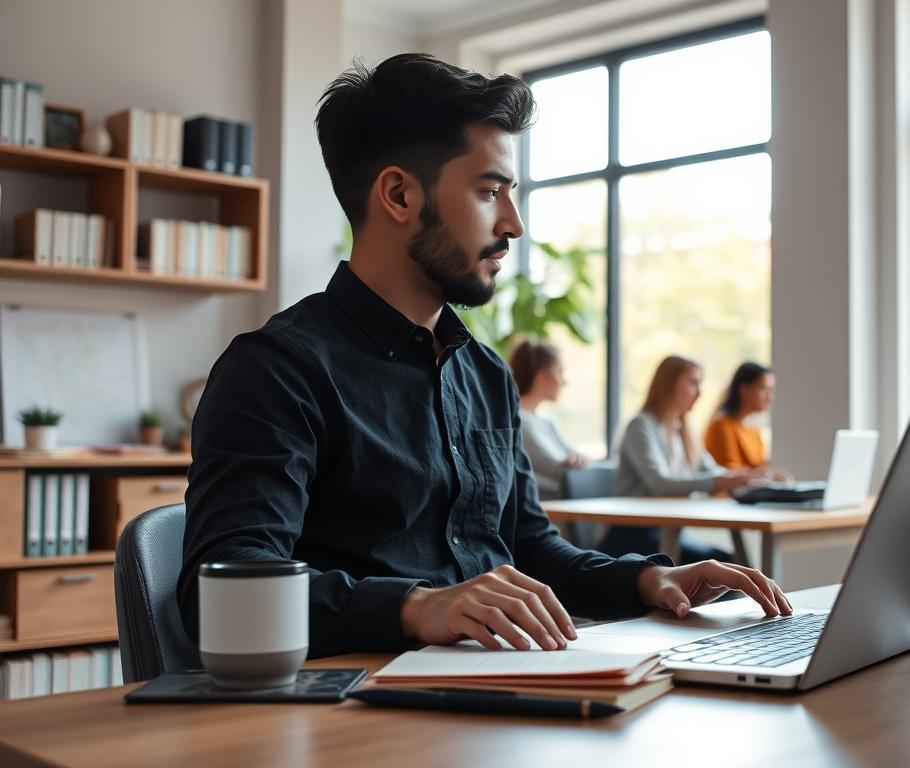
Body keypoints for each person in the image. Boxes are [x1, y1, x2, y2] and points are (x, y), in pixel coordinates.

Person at [177, 54, 790, 659]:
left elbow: (527, 545)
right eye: (489, 190)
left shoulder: (486, 374)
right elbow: (222, 590)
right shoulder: (277, 370)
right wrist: (417, 607)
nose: (515, 223)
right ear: (398, 195)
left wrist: (647, 581)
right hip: (353, 716)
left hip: (485, 693)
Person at [601, 356, 759, 561]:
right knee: (725, 564)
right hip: (632, 537)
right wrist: (719, 481)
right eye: (693, 383)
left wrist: (749, 477)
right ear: (669, 385)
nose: (700, 393)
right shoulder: (641, 426)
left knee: (729, 562)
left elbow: (711, 470)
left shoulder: (685, 431)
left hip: (668, 533)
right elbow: (660, 483)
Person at [508, 339, 588, 500]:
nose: (564, 381)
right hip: (543, 506)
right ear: (541, 375)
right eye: (559, 372)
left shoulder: (545, 419)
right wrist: (575, 462)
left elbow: (576, 459)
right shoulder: (519, 421)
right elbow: (557, 468)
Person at [704, 362, 781, 473]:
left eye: (771, 390)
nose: (770, 398)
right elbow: (729, 475)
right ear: (744, 389)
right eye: (764, 389)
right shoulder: (721, 427)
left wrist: (773, 477)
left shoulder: (753, 431)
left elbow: (762, 468)